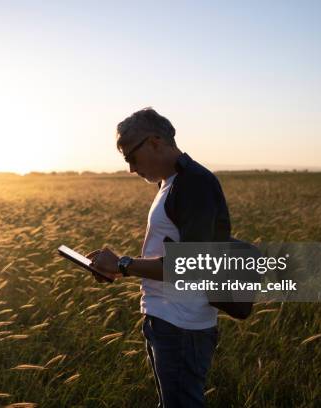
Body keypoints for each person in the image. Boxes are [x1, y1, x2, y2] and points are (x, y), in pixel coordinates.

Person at [87, 107, 231, 408]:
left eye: (130, 157)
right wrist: (118, 268)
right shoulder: (171, 182)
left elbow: (193, 265)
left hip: (183, 324)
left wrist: (124, 264)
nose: (130, 168)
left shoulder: (195, 183)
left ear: (154, 142)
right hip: (166, 320)